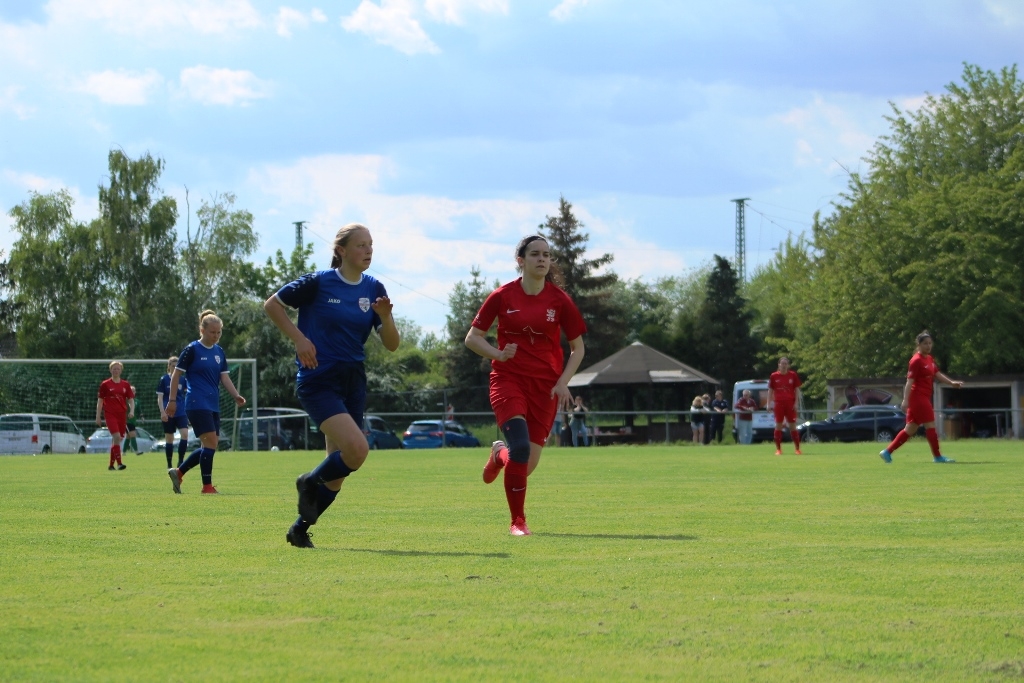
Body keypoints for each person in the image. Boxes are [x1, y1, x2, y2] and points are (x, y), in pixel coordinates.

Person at [264, 223, 400, 549]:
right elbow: (272, 305)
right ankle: (309, 481)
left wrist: (386, 316)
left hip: (353, 380)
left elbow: (392, 344)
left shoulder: (374, 288)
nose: (368, 250)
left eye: (371, 244)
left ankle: (299, 530)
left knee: (338, 472)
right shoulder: (318, 282)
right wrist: (299, 340)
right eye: (361, 245)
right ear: (341, 250)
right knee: (358, 450)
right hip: (319, 378)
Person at [466, 235, 586, 536]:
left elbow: (578, 348)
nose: (542, 259)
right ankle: (517, 522)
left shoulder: (559, 300)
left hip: (546, 388)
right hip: (508, 379)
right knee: (519, 448)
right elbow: (472, 338)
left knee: (525, 464)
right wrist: (497, 354)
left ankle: (498, 455)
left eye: (546, 254)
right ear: (521, 260)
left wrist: (563, 382)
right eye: (535, 254)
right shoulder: (502, 296)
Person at [166, 311, 246, 495]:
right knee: (210, 443)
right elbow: (176, 375)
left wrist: (236, 395)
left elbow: (224, 377)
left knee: (210, 445)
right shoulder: (192, 349)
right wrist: (172, 400)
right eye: (212, 332)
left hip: (212, 403)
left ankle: (179, 473)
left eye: (219, 332)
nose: (216, 336)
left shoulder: (219, 352)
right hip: (196, 402)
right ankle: (207, 487)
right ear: (202, 330)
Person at [879, 331, 964, 463]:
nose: (928, 346)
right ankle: (938, 457)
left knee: (910, 429)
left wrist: (951, 383)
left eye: (930, 343)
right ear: (918, 345)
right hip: (918, 398)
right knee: (930, 425)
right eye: (925, 343)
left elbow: (937, 374)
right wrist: (905, 400)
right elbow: (909, 382)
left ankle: (887, 452)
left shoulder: (929, 358)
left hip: (922, 397)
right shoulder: (916, 360)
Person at [96, 361, 135, 470]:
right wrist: (98, 416)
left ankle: (111, 465)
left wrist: (132, 411)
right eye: (114, 369)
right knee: (116, 436)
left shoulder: (125, 384)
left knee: (117, 439)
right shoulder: (105, 384)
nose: (116, 370)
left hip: (121, 414)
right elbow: (100, 401)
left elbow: (131, 400)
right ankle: (119, 463)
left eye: (118, 369)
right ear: (110, 370)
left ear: (121, 370)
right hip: (110, 414)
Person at [157, 356, 190, 469]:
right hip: (168, 412)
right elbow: (160, 398)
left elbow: (187, 395)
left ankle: (180, 461)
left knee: (185, 434)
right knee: (169, 438)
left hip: (181, 412)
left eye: (177, 366)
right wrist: (162, 412)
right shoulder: (164, 379)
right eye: (173, 366)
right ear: (169, 366)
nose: (175, 368)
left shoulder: (183, 380)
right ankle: (169, 464)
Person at [767, 357, 802, 455]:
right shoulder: (774, 376)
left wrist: (796, 403)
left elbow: (796, 389)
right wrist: (768, 404)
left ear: (788, 365)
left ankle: (797, 449)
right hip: (779, 403)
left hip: (790, 403)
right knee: (778, 425)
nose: (784, 365)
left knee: (792, 426)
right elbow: (770, 390)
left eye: (785, 363)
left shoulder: (792, 375)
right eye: (782, 363)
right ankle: (778, 449)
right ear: (779, 365)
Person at [125, 386, 143, 455]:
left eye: (133, 391)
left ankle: (123, 452)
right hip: (127, 421)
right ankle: (136, 451)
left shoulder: (137, 401)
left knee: (128, 436)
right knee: (133, 434)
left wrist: (142, 417)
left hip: (133, 421)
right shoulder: (125, 400)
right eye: (131, 391)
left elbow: (139, 410)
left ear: (135, 392)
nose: (132, 392)